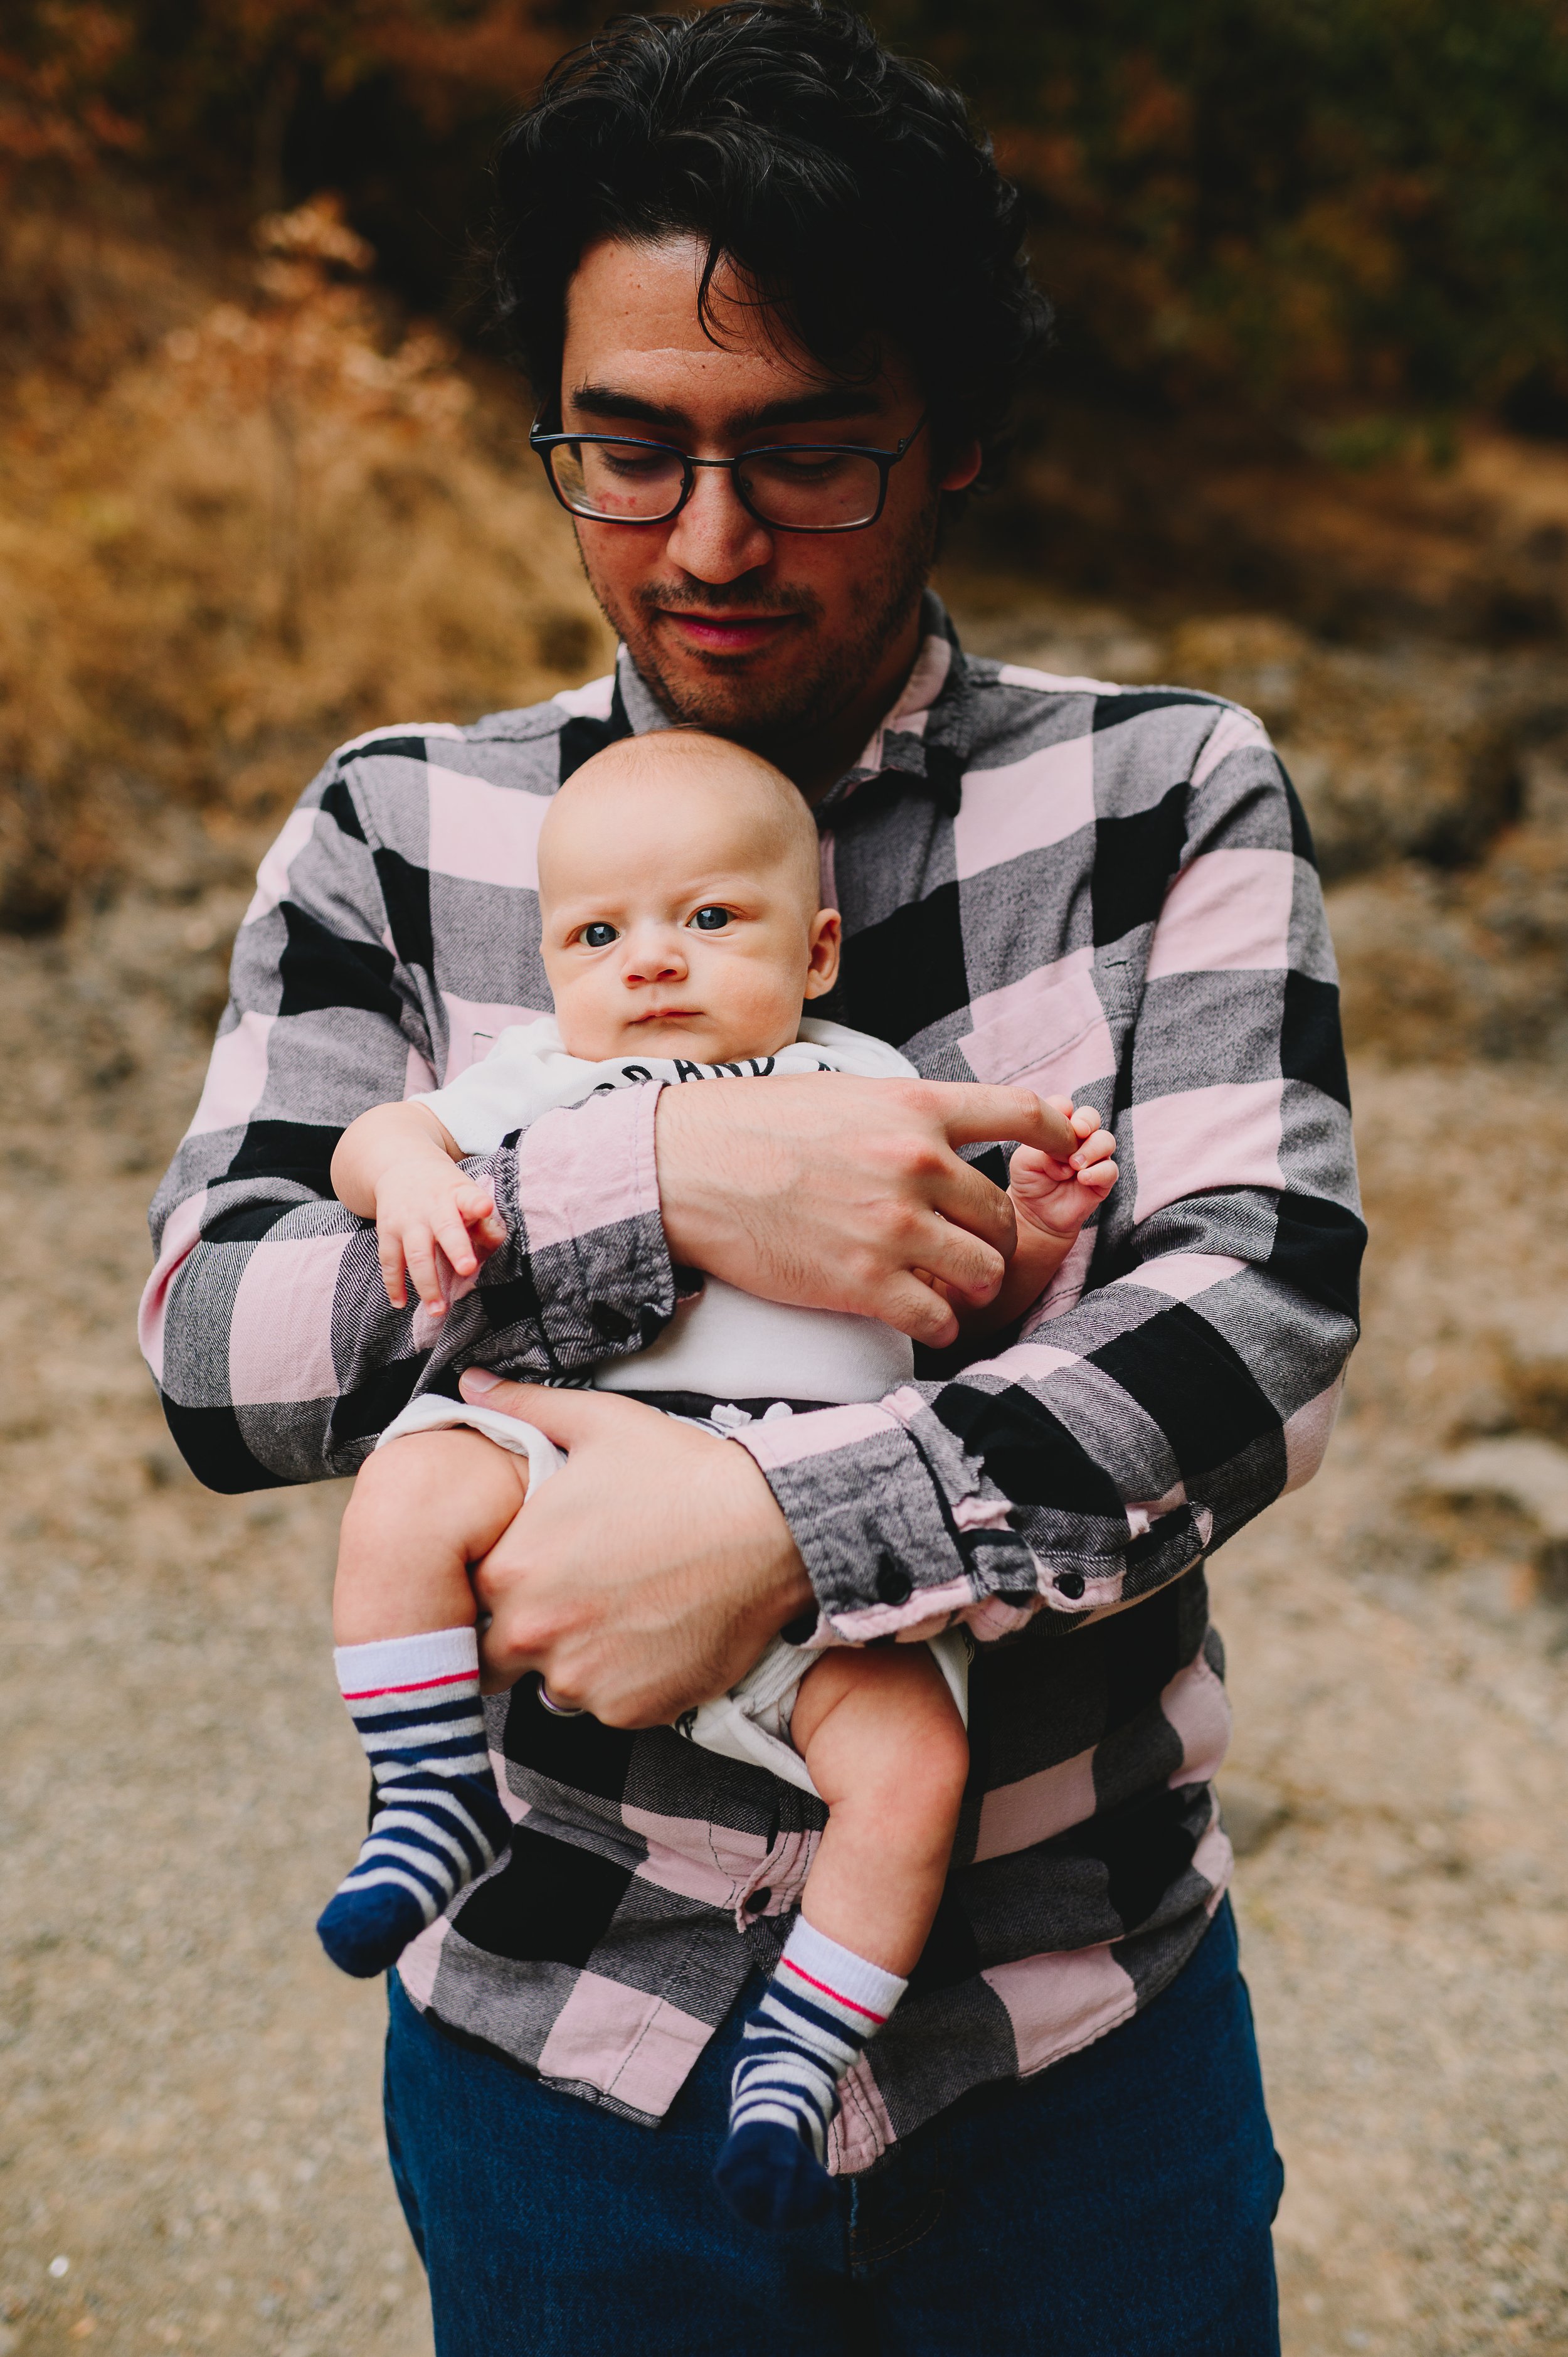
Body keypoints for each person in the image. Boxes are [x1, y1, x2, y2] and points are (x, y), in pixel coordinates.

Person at [140, 6, 1362, 2348]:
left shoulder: (1165, 794)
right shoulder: (402, 828)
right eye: (629, 453)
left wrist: (788, 1532)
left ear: (962, 437)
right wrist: (675, 1186)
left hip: (1071, 2038)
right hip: (563, 2052)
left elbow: (1254, 1323)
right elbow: (219, 1341)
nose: (707, 542)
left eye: (809, 454)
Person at [315, 729, 1117, 2232]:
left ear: (816, 949)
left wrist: (1035, 1234)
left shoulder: (872, 1085)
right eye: (599, 934)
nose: (652, 963)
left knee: (911, 1771)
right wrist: (415, 1178)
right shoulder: (542, 1076)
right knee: (409, 1494)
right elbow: (380, 1135)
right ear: (548, 962)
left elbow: (963, 1306)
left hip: (823, 1535)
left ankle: (803, 2045)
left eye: (708, 919)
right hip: (565, 1469)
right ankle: (427, 1794)